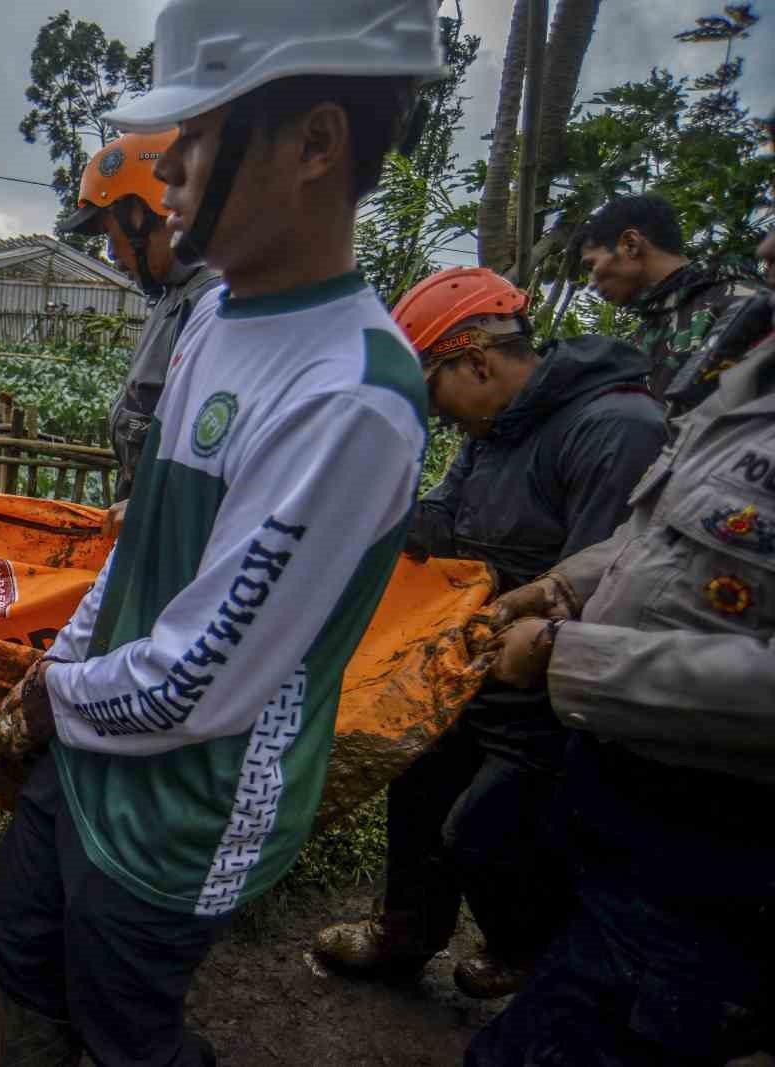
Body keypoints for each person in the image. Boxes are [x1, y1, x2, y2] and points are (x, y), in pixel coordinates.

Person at [0, 1, 445, 1063]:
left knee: (125, 1032)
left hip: (188, 805)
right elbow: (141, 543)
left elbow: (197, 683)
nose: (172, 169)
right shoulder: (216, 319)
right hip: (99, 739)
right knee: (17, 942)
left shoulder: (349, 393)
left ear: (315, 142)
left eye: (196, 135)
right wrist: (62, 662)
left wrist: (58, 696)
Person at [466, 190, 775, 1065]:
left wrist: (568, 658)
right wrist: (562, 584)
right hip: (629, 791)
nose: (764, 243)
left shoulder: (702, 339)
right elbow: (661, 528)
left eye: (599, 255)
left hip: (716, 834)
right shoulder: (747, 369)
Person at [312, 267, 666, 999]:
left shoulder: (615, 428)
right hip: (475, 660)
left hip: (550, 687)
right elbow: (445, 522)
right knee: (417, 783)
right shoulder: (494, 428)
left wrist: (542, 637)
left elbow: (614, 582)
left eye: (434, 391)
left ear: (475, 360)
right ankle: (406, 933)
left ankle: (526, 949)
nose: (439, 417)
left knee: (484, 829)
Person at [57, 130, 223, 531]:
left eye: (109, 234)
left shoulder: (218, 305)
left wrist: (161, 509)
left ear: (141, 215)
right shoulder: (172, 299)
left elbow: (234, 462)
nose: (112, 254)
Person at [575, 192, 767, 405]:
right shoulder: (649, 331)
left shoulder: (745, 304)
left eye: (591, 265)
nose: (591, 283)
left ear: (631, 244)